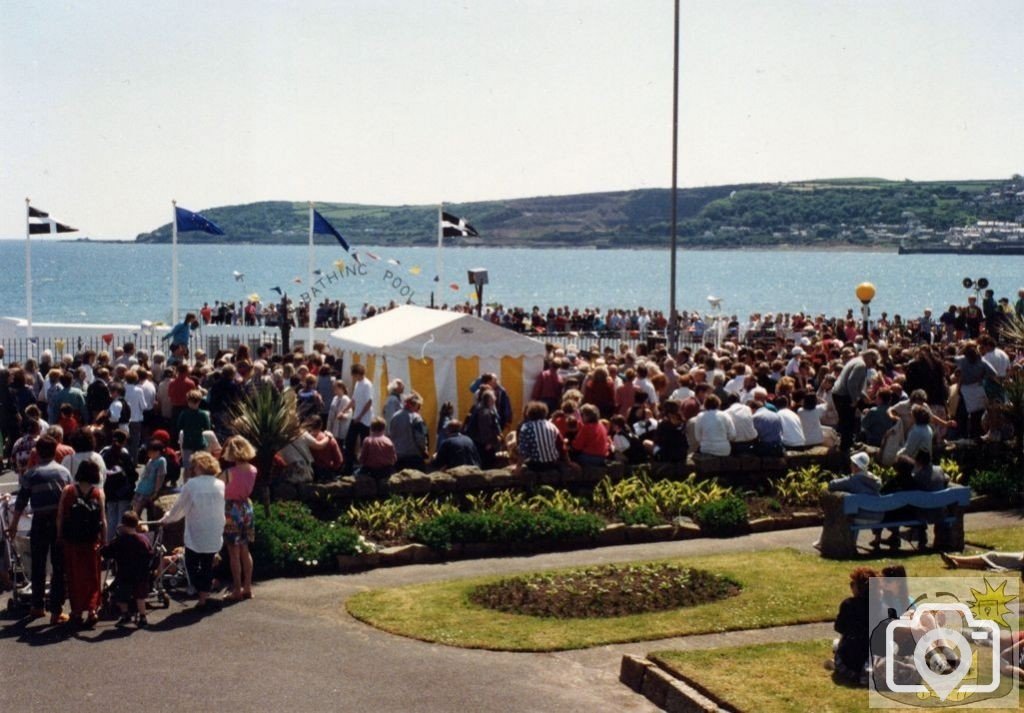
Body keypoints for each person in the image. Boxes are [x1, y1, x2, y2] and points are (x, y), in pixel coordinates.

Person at [7, 436, 73, 623]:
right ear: (54, 451)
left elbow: (20, 502)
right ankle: (56, 611)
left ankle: (37, 606)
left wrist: (13, 525)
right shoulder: (63, 472)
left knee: (38, 565)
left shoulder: (31, 474)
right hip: (59, 523)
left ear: (38, 452)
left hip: (39, 522)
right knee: (58, 567)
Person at [159, 451, 226, 610]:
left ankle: (202, 592)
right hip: (214, 529)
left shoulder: (192, 484)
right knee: (207, 564)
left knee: (191, 564)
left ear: (198, 467)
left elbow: (179, 508)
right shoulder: (220, 483)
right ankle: (204, 597)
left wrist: (166, 519)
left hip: (197, 530)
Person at [56, 460, 106, 626]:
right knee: (92, 576)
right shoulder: (97, 493)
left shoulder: (68, 490)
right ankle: (92, 610)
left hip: (72, 540)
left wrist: (59, 535)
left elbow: (61, 516)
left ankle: (76, 610)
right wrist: (104, 539)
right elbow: (103, 520)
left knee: (74, 575)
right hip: (92, 540)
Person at [100, 510, 152, 627]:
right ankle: (143, 617)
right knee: (140, 597)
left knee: (121, 596)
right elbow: (150, 554)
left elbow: (107, 552)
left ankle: (125, 615)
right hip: (141, 574)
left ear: (123, 524)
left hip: (124, 574)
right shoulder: (143, 539)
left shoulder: (120, 540)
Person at [220, 436, 257, 602]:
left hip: (231, 510)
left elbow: (215, 484)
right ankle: (247, 587)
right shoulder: (253, 470)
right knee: (245, 549)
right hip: (246, 508)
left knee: (233, 552)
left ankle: (236, 589)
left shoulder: (229, 473)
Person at [832, 566, 878, 686]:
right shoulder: (881, 605)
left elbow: (839, 627)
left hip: (850, 657)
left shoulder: (848, 604)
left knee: (838, 644)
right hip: (873, 655)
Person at [831, 349, 879, 452]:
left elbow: (855, 385)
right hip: (843, 395)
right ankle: (845, 447)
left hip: (840, 394)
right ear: (870, 357)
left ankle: (847, 443)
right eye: (874, 361)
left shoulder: (856, 361)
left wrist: (863, 396)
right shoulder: (861, 365)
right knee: (848, 422)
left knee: (847, 421)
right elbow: (851, 384)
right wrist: (855, 400)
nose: (873, 365)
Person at [516, 401, 566, 472]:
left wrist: (518, 467)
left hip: (536, 464)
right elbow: (561, 445)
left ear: (529, 413)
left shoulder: (526, 427)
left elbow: (523, 450)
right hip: (553, 462)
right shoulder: (552, 426)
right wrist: (569, 462)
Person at [344, 363, 374, 473]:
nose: (352, 377)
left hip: (365, 420)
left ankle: (365, 468)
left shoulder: (367, 384)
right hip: (356, 417)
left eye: (353, 375)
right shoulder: (358, 383)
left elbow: (369, 402)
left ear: (357, 374)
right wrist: (344, 410)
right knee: (349, 442)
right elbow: (354, 400)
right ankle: (348, 468)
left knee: (364, 444)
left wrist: (360, 416)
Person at [388, 392, 429, 470]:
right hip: (413, 456)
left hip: (398, 456)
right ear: (415, 404)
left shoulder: (394, 416)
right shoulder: (416, 418)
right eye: (418, 406)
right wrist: (424, 449)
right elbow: (421, 438)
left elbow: (391, 435)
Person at [177, 389, 211, 472]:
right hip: (200, 443)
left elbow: (179, 426)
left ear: (188, 401)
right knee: (200, 468)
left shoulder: (184, 413)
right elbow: (207, 428)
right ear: (199, 401)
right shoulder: (203, 414)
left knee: (187, 468)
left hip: (188, 443)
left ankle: (187, 484)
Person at [133, 440, 167, 517]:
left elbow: (160, 476)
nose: (148, 454)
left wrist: (156, 491)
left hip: (149, 490)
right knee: (134, 511)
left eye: (151, 452)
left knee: (140, 512)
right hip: (141, 489)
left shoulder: (161, 461)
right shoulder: (150, 461)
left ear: (157, 452)